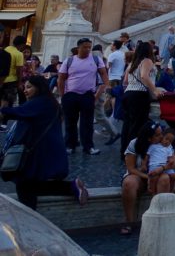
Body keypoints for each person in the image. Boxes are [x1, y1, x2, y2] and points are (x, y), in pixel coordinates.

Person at [0, 75, 88, 210]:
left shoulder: (40, 102)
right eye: (25, 87)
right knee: (28, 184)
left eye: (29, 87)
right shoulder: (48, 102)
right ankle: (71, 187)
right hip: (45, 150)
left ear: (39, 88)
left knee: (24, 184)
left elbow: (18, 112)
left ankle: (30, 218)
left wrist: (3, 109)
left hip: (39, 152)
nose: (25, 90)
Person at [57, 37, 109, 155]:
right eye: (85, 47)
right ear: (78, 47)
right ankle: (70, 145)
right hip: (71, 95)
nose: (87, 49)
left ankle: (88, 146)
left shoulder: (96, 59)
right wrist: (63, 95)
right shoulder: (69, 61)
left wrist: (106, 86)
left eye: (89, 47)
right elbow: (61, 79)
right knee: (70, 122)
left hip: (87, 94)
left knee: (87, 123)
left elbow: (103, 73)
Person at [119, 121, 168, 235]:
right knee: (129, 184)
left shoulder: (164, 143)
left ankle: (159, 219)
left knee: (164, 179)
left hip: (158, 174)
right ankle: (129, 221)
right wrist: (148, 177)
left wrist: (158, 171)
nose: (161, 137)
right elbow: (131, 168)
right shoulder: (135, 143)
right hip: (139, 175)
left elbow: (172, 163)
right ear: (149, 139)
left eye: (162, 133)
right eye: (157, 135)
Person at [120, 42, 165, 156]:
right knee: (138, 125)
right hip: (139, 95)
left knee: (128, 124)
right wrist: (154, 90)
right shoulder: (147, 61)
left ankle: (124, 151)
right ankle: (133, 153)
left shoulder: (132, 63)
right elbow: (144, 76)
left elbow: (125, 81)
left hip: (128, 94)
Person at [145, 125, 175, 195]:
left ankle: (171, 191)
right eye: (166, 139)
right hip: (154, 165)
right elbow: (147, 155)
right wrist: (143, 164)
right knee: (154, 176)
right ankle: (152, 190)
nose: (167, 142)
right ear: (162, 136)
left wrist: (171, 160)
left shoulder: (169, 147)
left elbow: (171, 158)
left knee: (173, 175)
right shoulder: (153, 145)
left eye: (170, 141)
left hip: (165, 166)